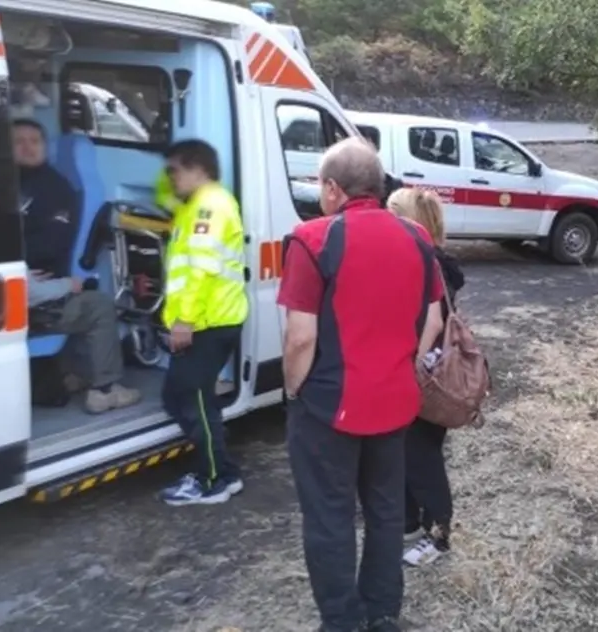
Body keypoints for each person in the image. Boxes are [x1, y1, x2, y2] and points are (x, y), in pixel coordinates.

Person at [278, 137, 445, 632]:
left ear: (332, 189)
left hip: (328, 409)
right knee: (386, 511)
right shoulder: (418, 239)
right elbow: (433, 321)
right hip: (395, 405)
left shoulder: (312, 240)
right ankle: (382, 613)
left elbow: (299, 340)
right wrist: (406, 366)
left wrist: (293, 391)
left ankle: (342, 621)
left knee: (329, 519)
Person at [157, 139, 249, 506]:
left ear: (198, 169)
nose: (170, 178)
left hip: (206, 323)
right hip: (206, 321)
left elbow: (201, 269)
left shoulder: (209, 207)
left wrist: (184, 321)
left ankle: (214, 479)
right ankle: (221, 471)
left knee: (192, 401)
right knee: (182, 397)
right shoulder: (196, 206)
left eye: (174, 170)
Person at [386, 188, 465, 567]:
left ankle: (439, 534)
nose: (385, 219)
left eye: (392, 212)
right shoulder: (431, 257)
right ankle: (408, 522)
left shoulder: (425, 260)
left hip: (427, 374)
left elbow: (432, 321)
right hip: (429, 368)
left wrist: (414, 366)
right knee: (409, 450)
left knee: (422, 455)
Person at [28, 274, 142, 413]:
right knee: (99, 305)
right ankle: (104, 390)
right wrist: (68, 284)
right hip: (32, 315)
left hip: (17, 314)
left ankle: (72, 375)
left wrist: (30, 277)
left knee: (79, 308)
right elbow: (30, 293)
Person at [13, 119, 79, 279]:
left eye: (34, 141)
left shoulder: (58, 189)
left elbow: (50, 245)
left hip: (37, 275)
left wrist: (8, 262)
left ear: (44, 146)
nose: (27, 147)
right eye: (19, 141)